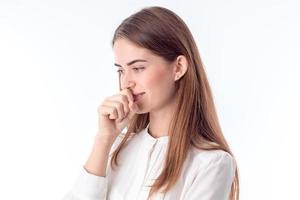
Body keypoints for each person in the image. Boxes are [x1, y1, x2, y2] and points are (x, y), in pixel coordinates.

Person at [62, 6, 239, 200]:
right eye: (121, 70)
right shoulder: (116, 148)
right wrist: (104, 139)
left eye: (138, 68)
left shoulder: (211, 163)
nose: (126, 82)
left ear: (178, 67)